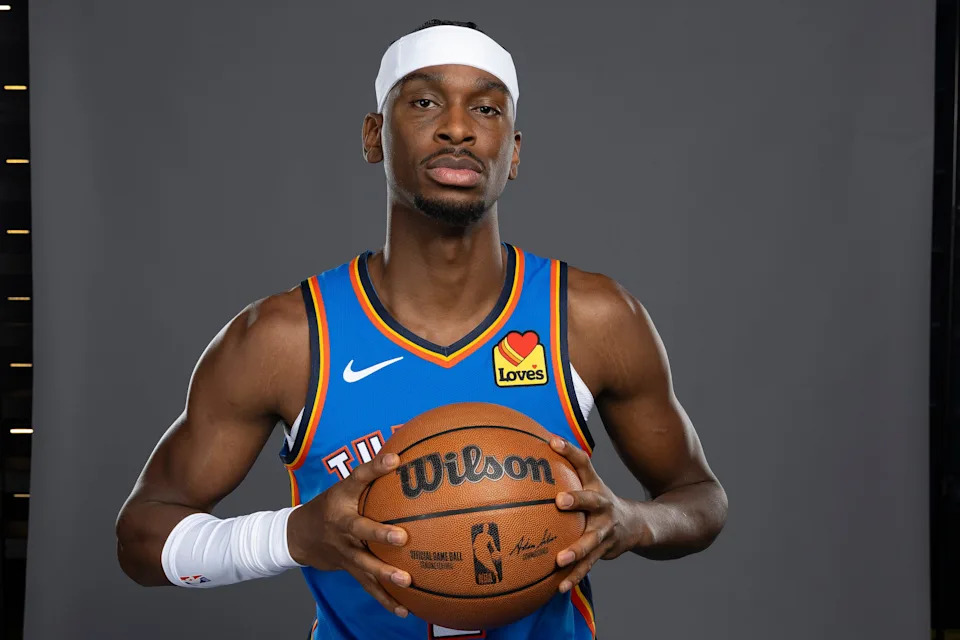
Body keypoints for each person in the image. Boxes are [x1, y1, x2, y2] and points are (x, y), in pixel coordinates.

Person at [115, 18, 728, 640]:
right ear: (374, 135)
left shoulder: (592, 318)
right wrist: (292, 533)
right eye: (426, 101)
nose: (458, 127)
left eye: (486, 108)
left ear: (512, 151)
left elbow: (700, 498)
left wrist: (633, 522)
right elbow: (141, 539)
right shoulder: (286, 338)